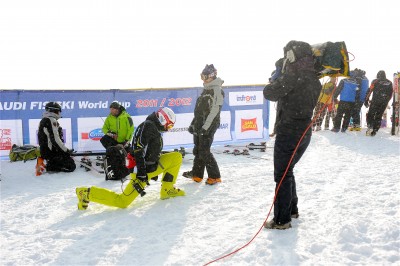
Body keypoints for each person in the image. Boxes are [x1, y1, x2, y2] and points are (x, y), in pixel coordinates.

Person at [75, 107, 185, 210]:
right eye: (169, 126)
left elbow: (149, 150)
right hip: (141, 171)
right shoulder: (148, 127)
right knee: (122, 202)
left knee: (176, 157)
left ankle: (167, 189)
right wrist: (142, 173)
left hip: (150, 167)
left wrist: (153, 164)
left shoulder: (153, 127)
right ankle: (85, 193)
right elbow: (138, 150)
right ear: (162, 119)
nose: (168, 129)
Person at [263, 41, 322, 229]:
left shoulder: (293, 76)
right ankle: (292, 210)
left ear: (292, 56)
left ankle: (282, 220)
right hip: (304, 131)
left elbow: (269, 93)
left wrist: (278, 76)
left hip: (289, 131)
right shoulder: (314, 79)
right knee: (288, 171)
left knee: (282, 174)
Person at [182, 64, 224, 185]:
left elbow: (215, 110)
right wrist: (193, 124)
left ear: (211, 76)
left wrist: (206, 126)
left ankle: (215, 176)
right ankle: (197, 174)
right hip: (200, 123)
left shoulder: (217, 90)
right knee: (198, 149)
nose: (203, 79)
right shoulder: (206, 89)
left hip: (210, 124)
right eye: (201, 76)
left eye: (204, 76)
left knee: (204, 150)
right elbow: (199, 111)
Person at [36, 102, 76, 176]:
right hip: (50, 152)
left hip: (45, 151)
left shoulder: (44, 120)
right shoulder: (51, 120)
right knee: (71, 166)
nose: (59, 113)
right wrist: (66, 151)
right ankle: (48, 165)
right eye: (59, 111)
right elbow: (55, 139)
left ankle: (47, 161)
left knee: (66, 157)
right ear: (55, 111)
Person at [364, 70, 393, 136]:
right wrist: (386, 101)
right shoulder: (389, 82)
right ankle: (375, 130)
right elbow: (391, 94)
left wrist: (366, 100)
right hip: (384, 102)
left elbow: (369, 91)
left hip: (375, 101)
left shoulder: (375, 81)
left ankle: (370, 126)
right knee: (379, 116)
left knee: (371, 114)